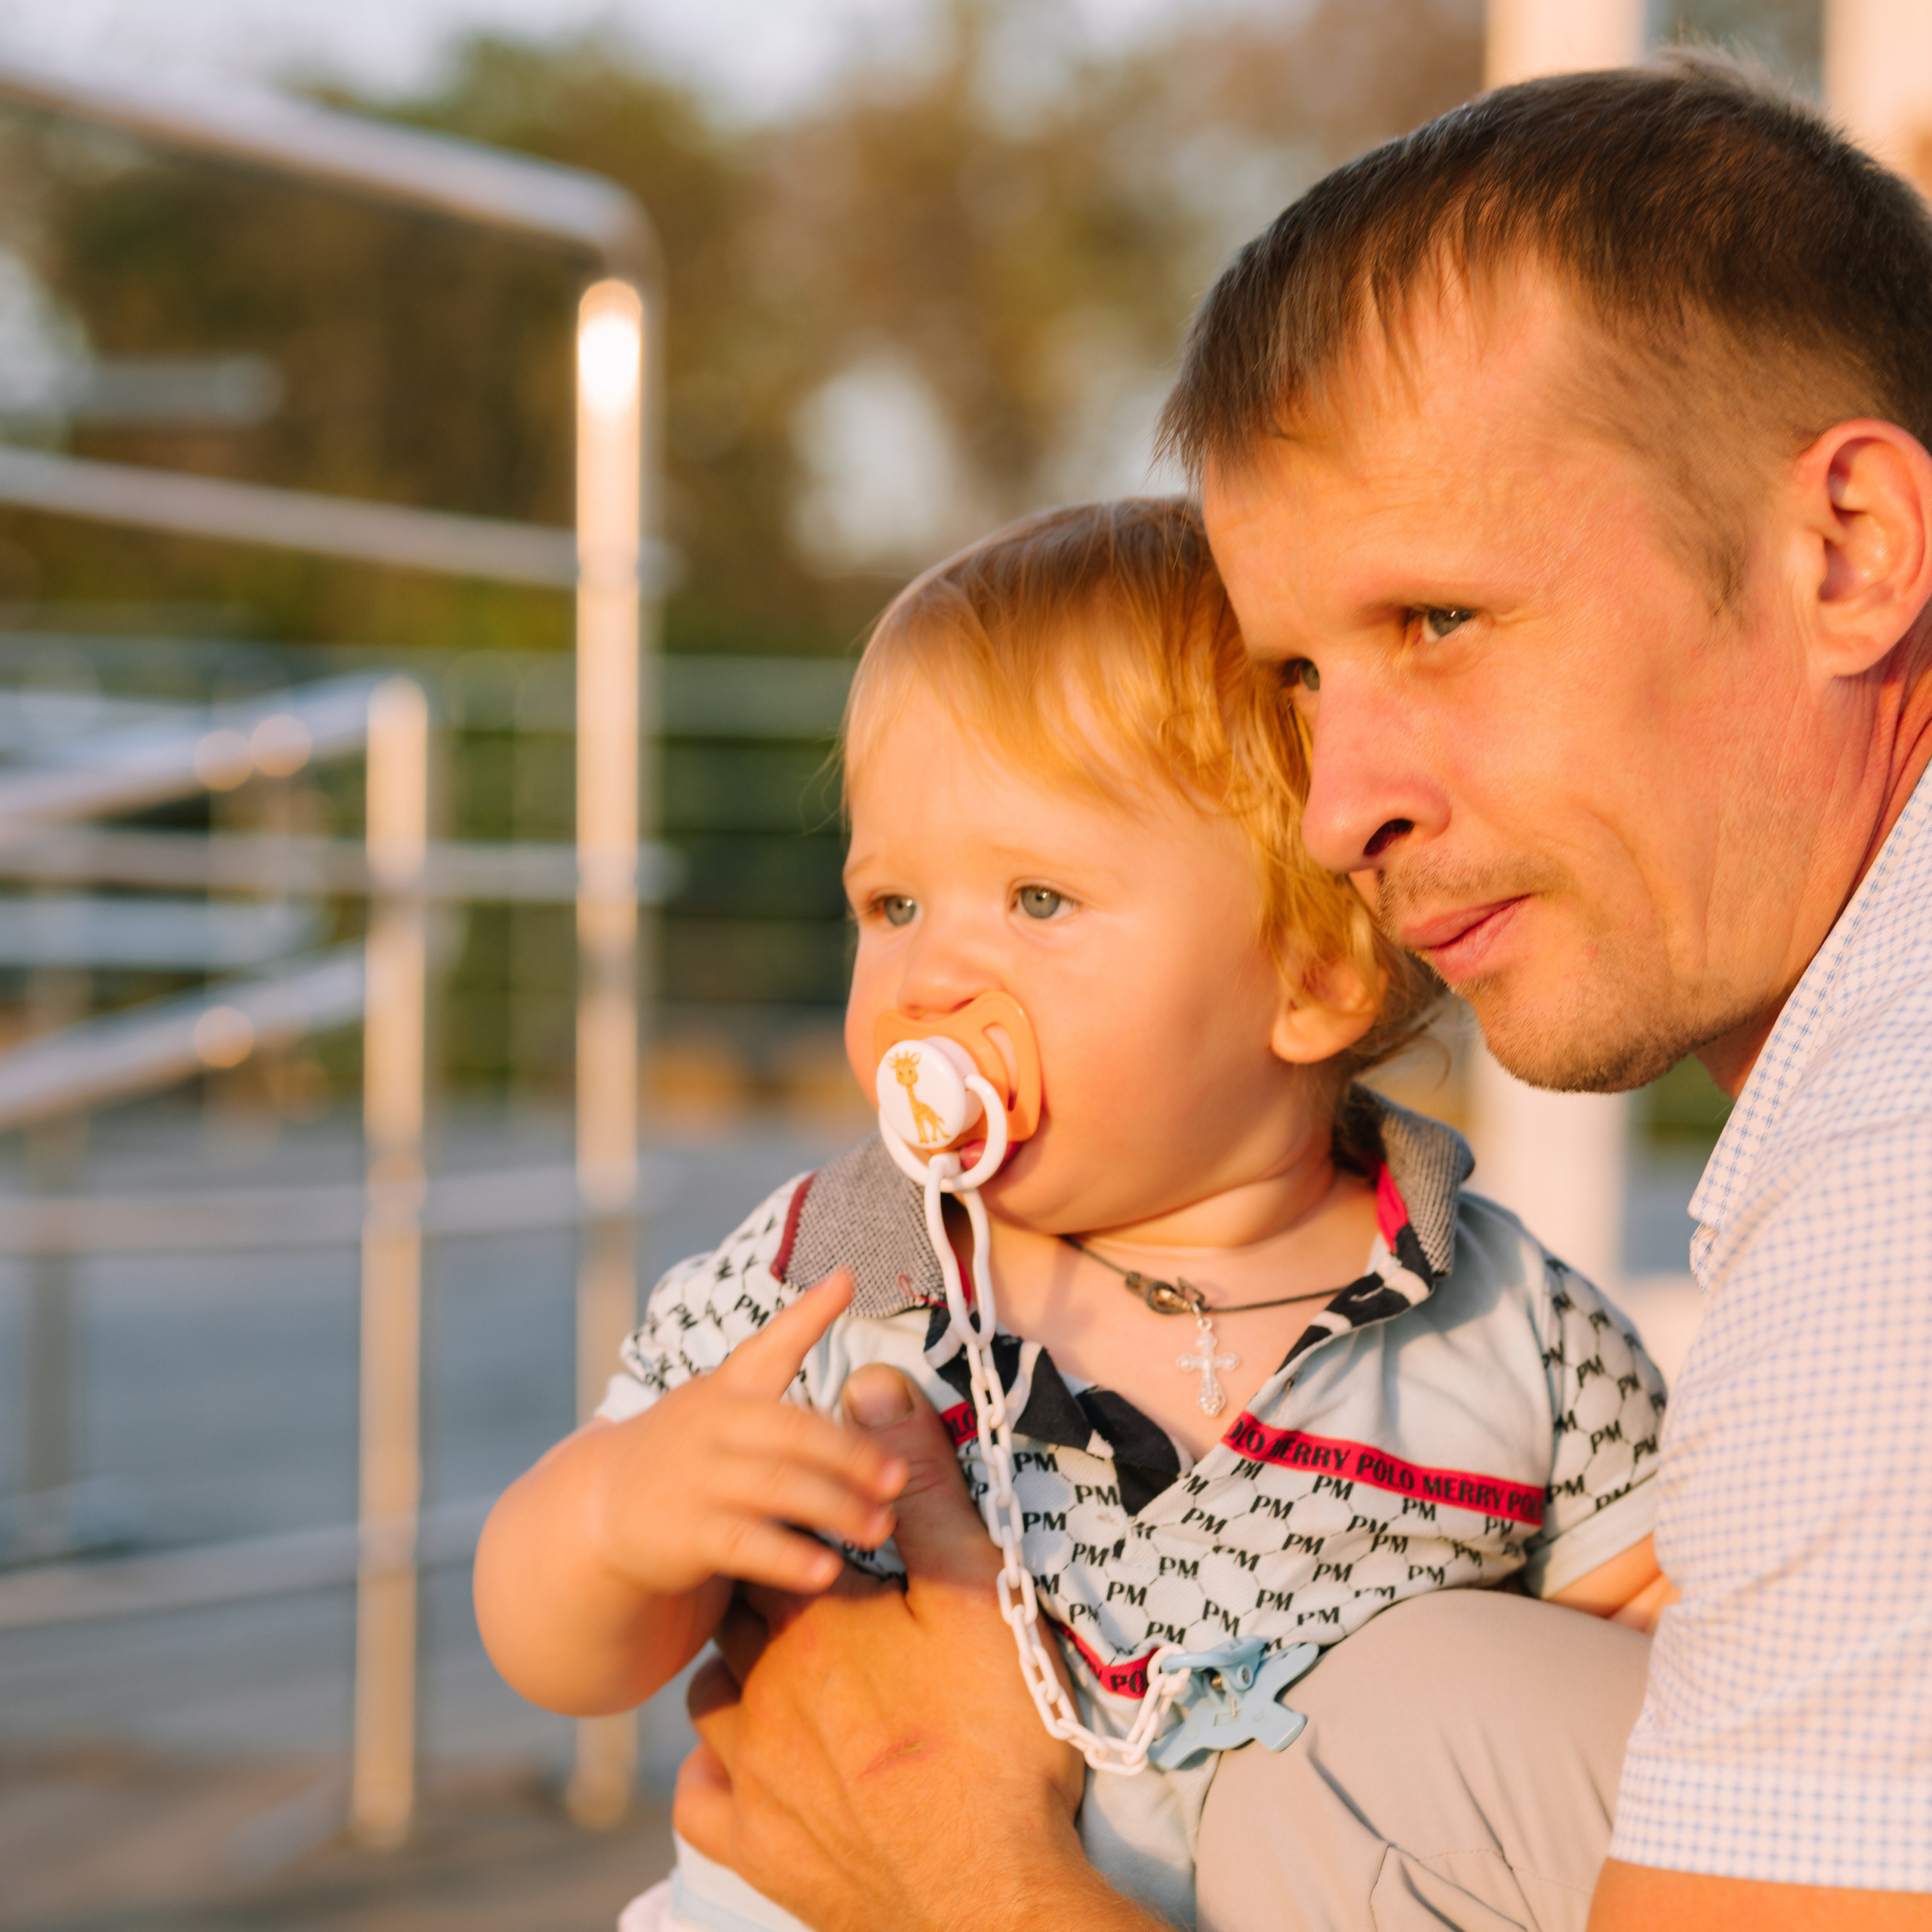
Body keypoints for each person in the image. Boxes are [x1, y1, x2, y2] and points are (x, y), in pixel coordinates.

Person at [671, 54, 1932, 1932]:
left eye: (1438, 622)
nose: (1342, 806)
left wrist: (966, 1883)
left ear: (1846, 548)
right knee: (1394, 1726)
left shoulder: (1883, 1186)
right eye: (1300, 681)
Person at [472, 499, 1669, 1929]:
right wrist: (619, 1517)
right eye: (892, 903)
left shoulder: (1510, 1328)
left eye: (1036, 897)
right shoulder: (832, 1281)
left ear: (1309, 977)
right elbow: (563, 1648)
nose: (927, 978)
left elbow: (1651, 1725)